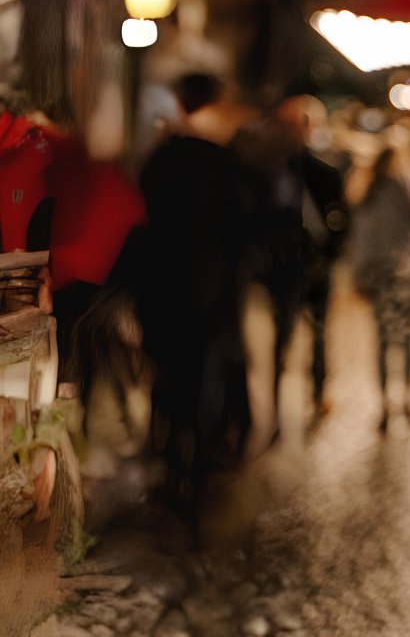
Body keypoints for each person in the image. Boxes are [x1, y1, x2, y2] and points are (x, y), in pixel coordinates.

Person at [134, 73, 256, 509]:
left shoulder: (158, 161)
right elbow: (242, 231)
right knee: (203, 376)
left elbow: (140, 227)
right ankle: (198, 462)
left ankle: (169, 460)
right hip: (210, 292)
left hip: (161, 289)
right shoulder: (223, 162)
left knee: (167, 375)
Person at [267, 92, 349, 414]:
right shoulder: (314, 171)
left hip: (300, 263)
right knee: (299, 333)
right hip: (298, 263)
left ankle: (305, 392)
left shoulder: (279, 170)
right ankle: (302, 394)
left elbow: (341, 221)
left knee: (301, 333)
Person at [347, 144, 410, 431]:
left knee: (384, 341)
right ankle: (408, 401)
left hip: (382, 279)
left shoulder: (370, 193)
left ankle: (386, 405)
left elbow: (362, 241)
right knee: (408, 340)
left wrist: (359, 277)